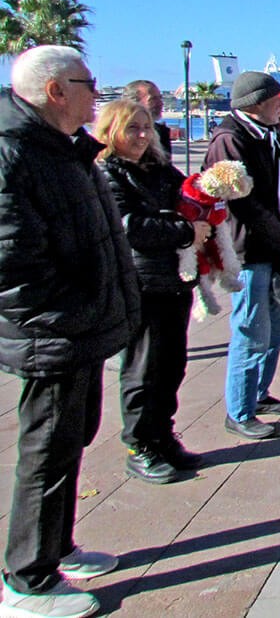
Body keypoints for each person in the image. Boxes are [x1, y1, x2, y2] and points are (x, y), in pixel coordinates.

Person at [0, 46, 139, 618]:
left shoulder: (62, 150)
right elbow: (13, 267)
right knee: (46, 451)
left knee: (70, 442)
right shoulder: (15, 155)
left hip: (76, 328)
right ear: (56, 90)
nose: (97, 94)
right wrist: (71, 316)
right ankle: (26, 580)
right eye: (88, 83)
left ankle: (57, 548)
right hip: (53, 334)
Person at [97, 100, 209, 484]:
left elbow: (191, 196)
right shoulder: (108, 171)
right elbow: (129, 226)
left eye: (146, 127)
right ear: (112, 131)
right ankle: (140, 444)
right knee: (143, 367)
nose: (142, 135)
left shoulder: (159, 167)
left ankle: (163, 434)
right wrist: (182, 230)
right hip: (141, 282)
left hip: (174, 277)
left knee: (172, 363)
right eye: (132, 128)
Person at [205, 71, 280, 438]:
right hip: (250, 251)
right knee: (251, 328)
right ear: (256, 104)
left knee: (277, 326)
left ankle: (260, 394)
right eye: (277, 101)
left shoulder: (271, 135)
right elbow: (245, 204)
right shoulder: (230, 140)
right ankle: (239, 410)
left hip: (278, 247)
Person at [122, 79, 173, 155]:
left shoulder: (161, 132)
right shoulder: (120, 131)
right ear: (133, 103)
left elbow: (166, 165)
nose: (160, 103)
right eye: (153, 99)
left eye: (160, 98)